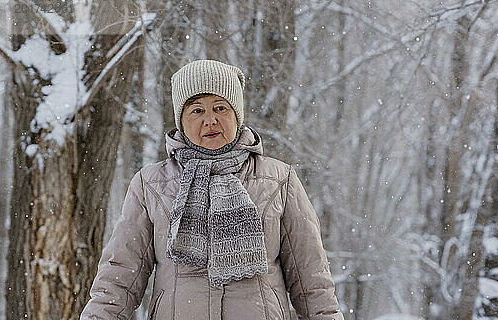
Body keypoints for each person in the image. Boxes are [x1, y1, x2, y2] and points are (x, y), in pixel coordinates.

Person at [80, 60, 344, 320]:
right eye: (196, 111)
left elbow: (311, 280)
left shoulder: (278, 180)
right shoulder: (151, 184)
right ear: (181, 120)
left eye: (221, 108)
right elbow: (119, 277)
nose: (210, 121)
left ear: (237, 116)